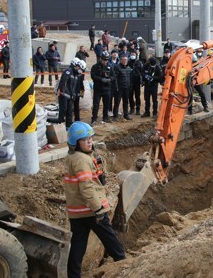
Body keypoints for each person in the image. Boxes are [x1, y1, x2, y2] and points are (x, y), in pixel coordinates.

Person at [64, 121, 126, 278]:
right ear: (76, 143)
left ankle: (73, 275)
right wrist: (98, 209)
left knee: (78, 246)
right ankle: (125, 264)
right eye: (85, 140)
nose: (89, 142)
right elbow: (87, 188)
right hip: (91, 211)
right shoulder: (82, 160)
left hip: (77, 212)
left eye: (90, 138)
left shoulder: (75, 157)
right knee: (111, 240)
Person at [90, 51, 115, 125]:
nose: (105, 62)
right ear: (101, 59)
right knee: (96, 105)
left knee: (106, 104)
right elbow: (93, 76)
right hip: (98, 89)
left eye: (106, 60)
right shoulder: (95, 66)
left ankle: (105, 117)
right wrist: (100, 79)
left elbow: (113, 76)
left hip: (107, 89)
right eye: (104, 60)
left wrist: (110, 79)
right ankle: (94, 119)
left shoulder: (110, 66)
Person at [57, 58, 82, 129]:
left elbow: (78, 86)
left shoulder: (76, 75)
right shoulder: (68, 71)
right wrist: (62, 91)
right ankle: (60, 126)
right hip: (65, 95)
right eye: (79, 68)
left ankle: (69, 126)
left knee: (70, 112)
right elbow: (63, 81)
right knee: (63, 111)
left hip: (71, 96)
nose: (79, 70)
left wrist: (78, 94)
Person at [113, 55, 133, 121]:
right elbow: (115, 78)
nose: (125, 61)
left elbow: (130, 78)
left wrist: (130, 86)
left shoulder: (128, 68)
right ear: (121, 60)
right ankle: (115, 116)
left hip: (126, 88)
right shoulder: (117, 67)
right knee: (117, 102)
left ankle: (126, 115)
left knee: (126, 102)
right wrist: (116, 87)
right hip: (119, 88)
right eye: (123, 60)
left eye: (126, 60)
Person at [128, 50, 143, 115]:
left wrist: (142, 81)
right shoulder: (128, 62)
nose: (132, 55)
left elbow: (142, 72)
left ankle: (138, 109)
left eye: (134, 54)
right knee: (130, 96)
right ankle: (132, 108)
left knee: (137, 96)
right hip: (130, 81)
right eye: (132, 54)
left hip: (137, 82)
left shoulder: (139, 63)